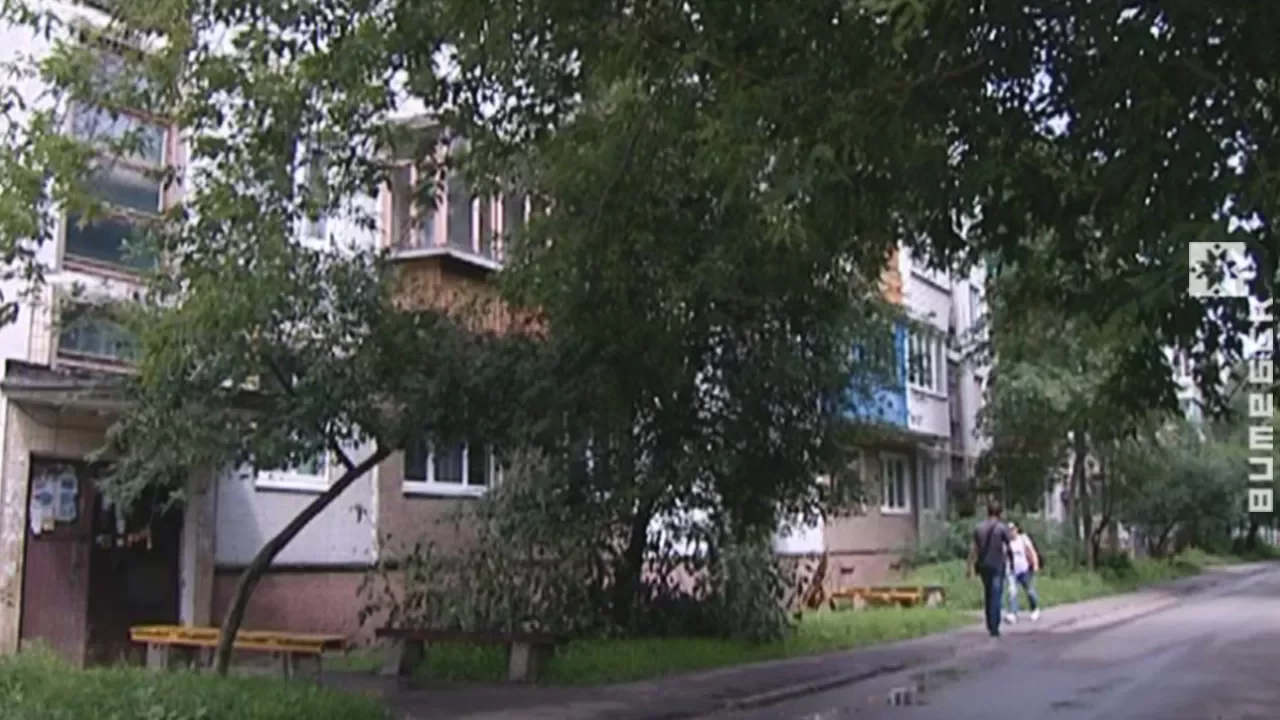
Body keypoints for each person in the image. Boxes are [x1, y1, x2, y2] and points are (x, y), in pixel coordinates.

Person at [966, 499, 1013, 638]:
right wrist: (1012, 562)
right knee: (996, 594)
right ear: (1000, 513)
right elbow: (1009, 546)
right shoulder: (1002, 528)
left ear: (988, 511)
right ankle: (994, 626)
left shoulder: (979, 527)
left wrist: (969, 566)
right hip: (997, 565)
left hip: (983, 565)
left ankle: (989, 622)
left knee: (988, 593)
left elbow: (973, 549)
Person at [1004, 521, 1042, 623]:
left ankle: (1035, 609)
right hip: (1012, 571)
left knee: (1030, 591)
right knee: (1012, 591)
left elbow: (1032, 551)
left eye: (1012, 529)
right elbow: (1005, 556)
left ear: (1016, 529)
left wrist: (1035, 564)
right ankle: (1013, 613)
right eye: (1009, 530)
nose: (1011, 532)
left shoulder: (1023, 538)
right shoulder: (1007, 542)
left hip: (1025, 569)